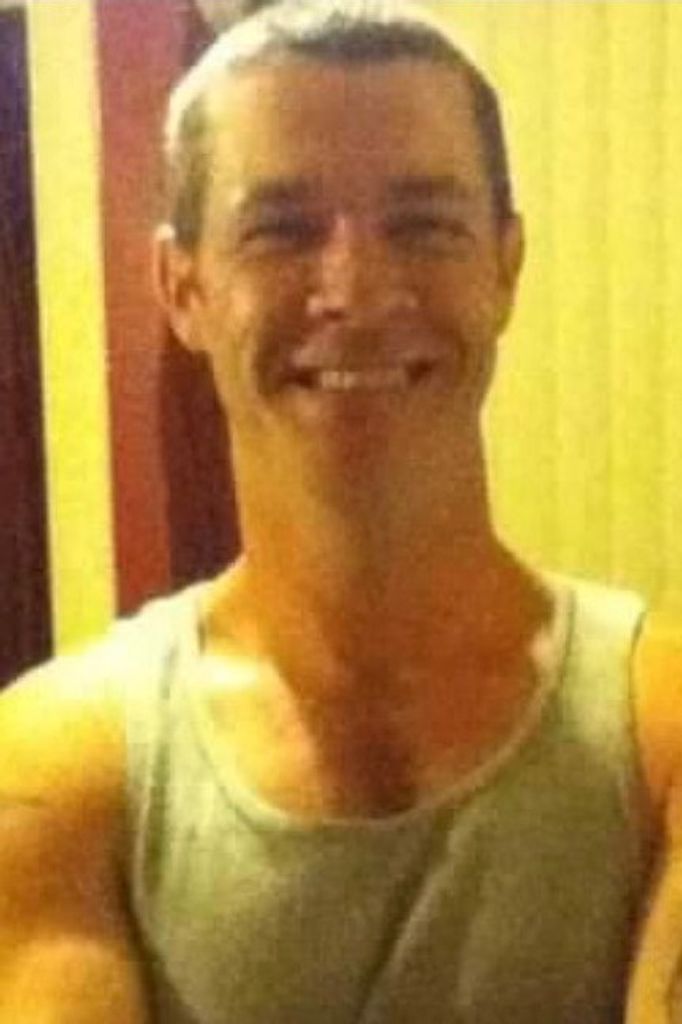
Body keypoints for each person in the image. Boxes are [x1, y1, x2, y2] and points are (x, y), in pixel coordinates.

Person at [1, 2, 679, 1021]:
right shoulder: (61, 778)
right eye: (281, 231)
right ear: (181, 287)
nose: (357, 291)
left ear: (504, 265)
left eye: (424, 226)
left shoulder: (662, 731)